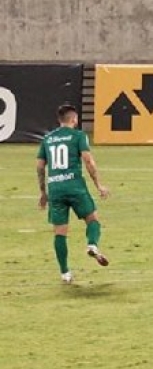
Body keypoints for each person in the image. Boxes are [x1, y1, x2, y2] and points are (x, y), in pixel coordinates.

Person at [36, 104, 110, 284]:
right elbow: (88, 161)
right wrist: (99, 184)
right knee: (92, 219)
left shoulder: (47, 139)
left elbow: (39, 166)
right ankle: (92, 244)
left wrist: (43, 192)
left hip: (55, 188)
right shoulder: (78, 136)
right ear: (74, 119)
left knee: (60, 232)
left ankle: (65, 273)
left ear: (59, 120)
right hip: (75, 186)